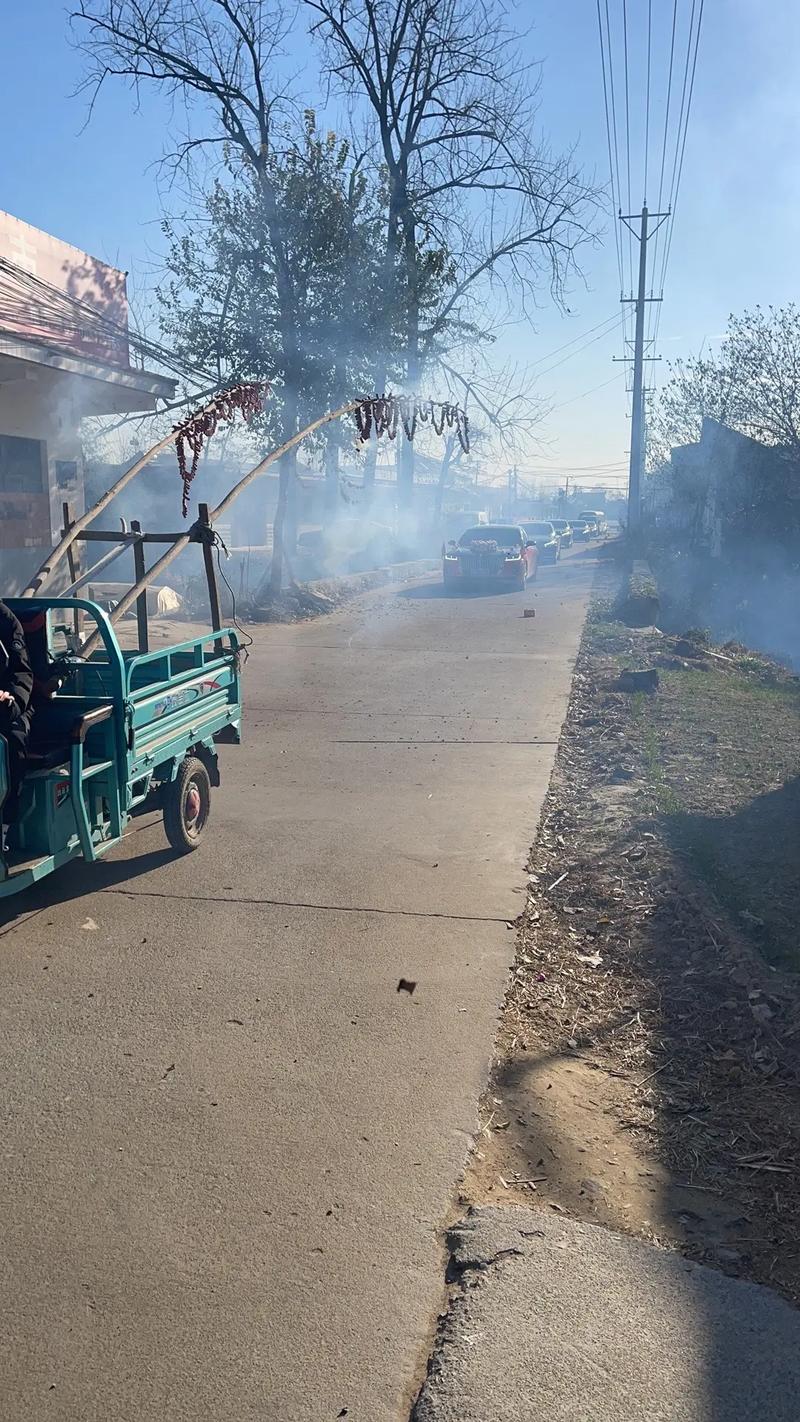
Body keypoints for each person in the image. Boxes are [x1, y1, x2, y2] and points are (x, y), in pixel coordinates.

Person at [0, 600, 33, 872]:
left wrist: (10, 700)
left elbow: (22, 674)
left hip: (8, 708)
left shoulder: (7, 622)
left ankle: (4, 827)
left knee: (11, 742)